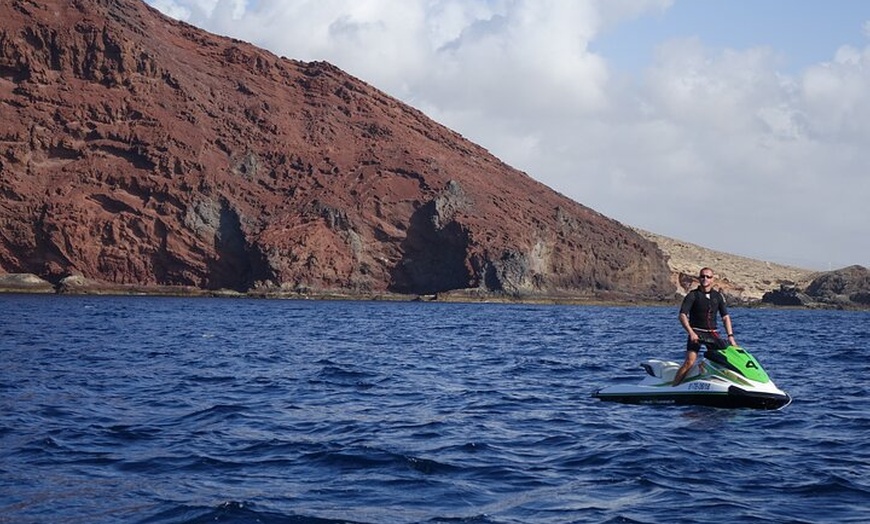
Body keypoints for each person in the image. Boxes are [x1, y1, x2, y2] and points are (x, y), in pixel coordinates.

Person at [672, 267, 737, 386]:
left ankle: (722, 383)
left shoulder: (717, 296)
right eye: (702, 276)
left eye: (708, 276)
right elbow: (682, 315)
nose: (705, 279)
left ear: (712, 279)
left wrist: (730, 336)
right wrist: (691, 332)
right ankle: (674, 386)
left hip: (712, 333)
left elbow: (725, 317)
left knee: (724, 360)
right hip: (696, 332)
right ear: (699, 278)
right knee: (690, 361)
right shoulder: (692, 295)